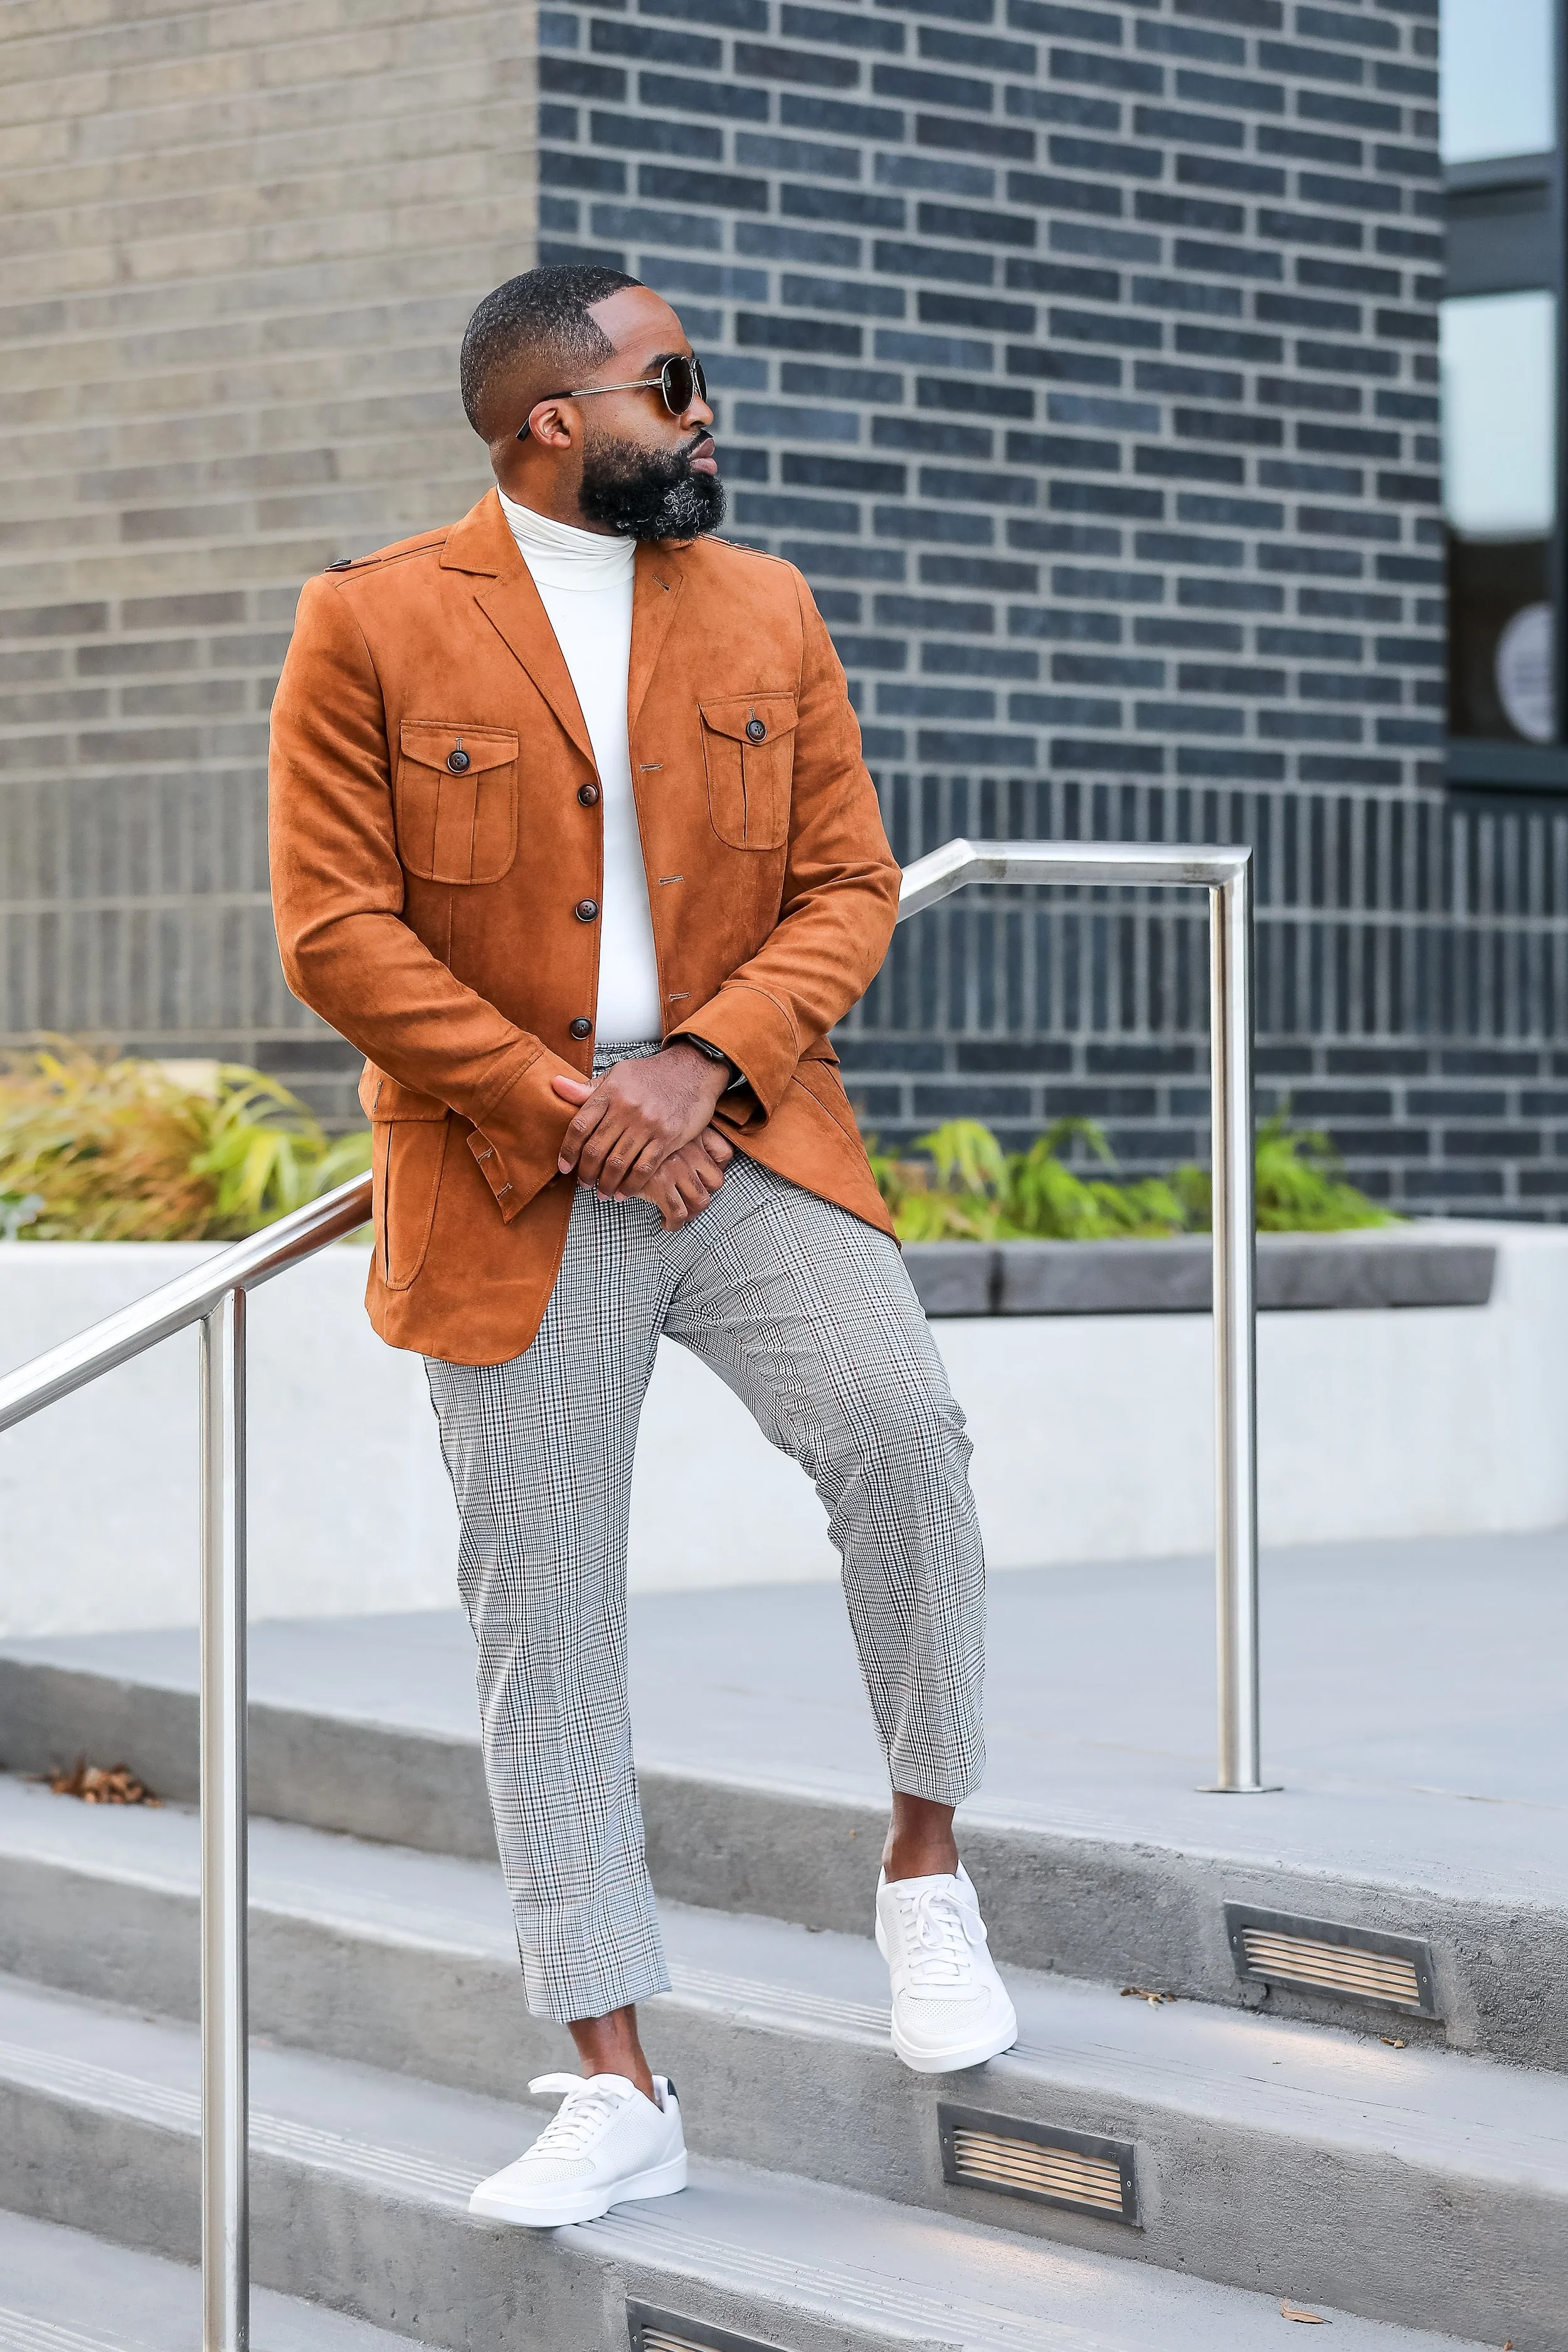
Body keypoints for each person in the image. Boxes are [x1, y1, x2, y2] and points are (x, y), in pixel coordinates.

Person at [267, 262, 1016, 2230]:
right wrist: (571, 1107)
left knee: (904, 1443)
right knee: (544, 1608)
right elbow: (334, 932)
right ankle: (615, 2071)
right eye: (671, 383)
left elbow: (850, 881)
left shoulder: (762, 601)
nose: (705, 414)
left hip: (743, 1140)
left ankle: (926, 1866)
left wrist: (694, 1072)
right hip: (509, 1177)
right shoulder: (368, 620)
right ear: (551, 417)